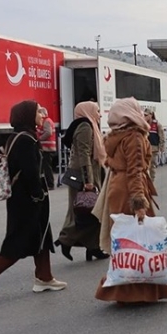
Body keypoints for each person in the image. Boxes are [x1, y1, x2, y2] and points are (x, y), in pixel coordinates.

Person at [0, 101, 67, 296]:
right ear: (27, 115)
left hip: (23, 198)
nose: (42, 115)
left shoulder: (18, 137)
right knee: (20, 240)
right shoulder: (25, 140)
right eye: (38, 111)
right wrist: (38, 195)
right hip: (27, 200)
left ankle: (44, 277)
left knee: (41, 236)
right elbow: (30, 172)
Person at [94, 98, 167, 303]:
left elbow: (111, 162)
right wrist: (139, 203)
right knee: (141, 241)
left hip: (116, 187)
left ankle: (122, 287)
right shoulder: (135, 137)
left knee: (124, 239)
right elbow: (136, 170)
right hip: (130, 190)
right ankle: (139, 291)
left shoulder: (114, 136)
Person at [55, 102, 109, 262]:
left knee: (89, 212)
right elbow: (84, 154)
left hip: (89, 173)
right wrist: (88, 181)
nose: (100, 114)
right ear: (88, 111)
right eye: (97, 111)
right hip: (84, 176)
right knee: (89, 212)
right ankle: (68, 240)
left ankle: (93, 247)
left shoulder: (88, 126)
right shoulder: (85, 127)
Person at [36, 107, 57, 190]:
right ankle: (48, 184)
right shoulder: (47, 121)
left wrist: (39, 139)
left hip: (47, 148)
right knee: (46, 167)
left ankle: (50, 184)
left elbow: (48, 132)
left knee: (46, 167)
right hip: (47, 147)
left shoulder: (46, 121)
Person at [144, 108, 165, 182]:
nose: (145, 117)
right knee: (144, 165)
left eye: (146, 115)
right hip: (144, 148)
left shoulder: (157, 125)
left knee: (151, 165)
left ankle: (151, 180)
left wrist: (162, 147)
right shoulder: (143, 125)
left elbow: (161, 136)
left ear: (151, 115)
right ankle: (145, 181)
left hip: (154, 148)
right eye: (144, 115)